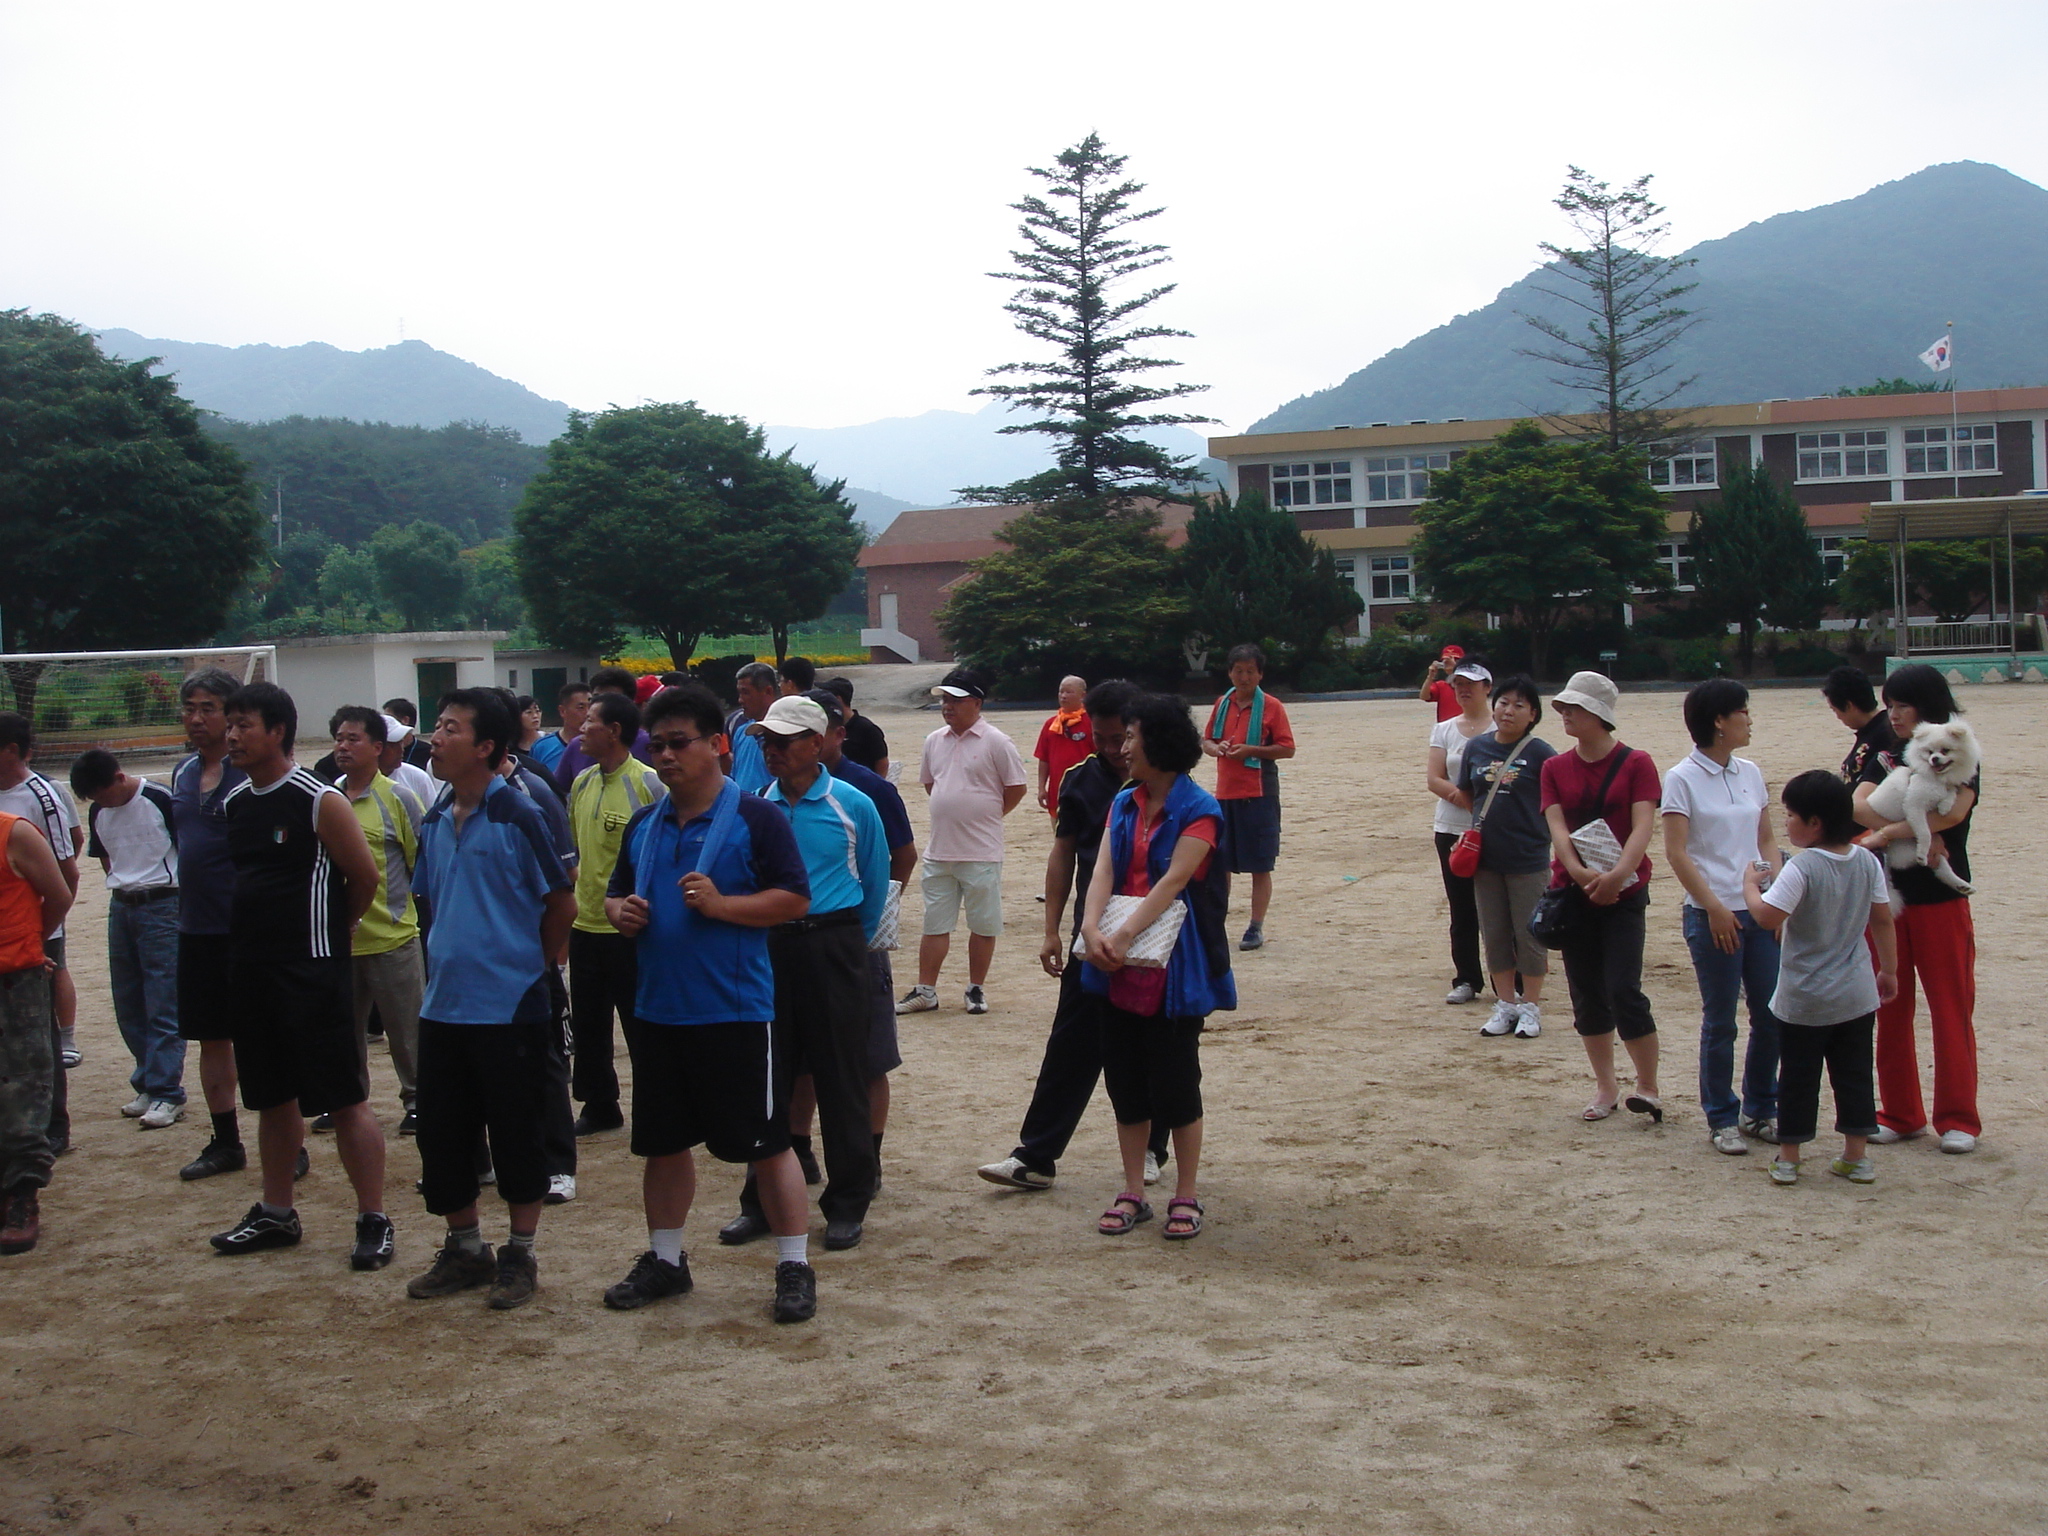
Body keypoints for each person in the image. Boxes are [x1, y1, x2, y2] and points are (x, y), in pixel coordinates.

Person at [601, 684, 820, 1322]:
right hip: (658, 1009)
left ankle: (794, 1265)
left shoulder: (756, 817)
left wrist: (724, 906)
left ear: (718, 744)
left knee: (768, 1144)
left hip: (735, 1011)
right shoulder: (645, 823)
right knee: (663, 1144)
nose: (666, 756)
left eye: (679, 743)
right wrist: (620, 912)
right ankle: (666, 1261)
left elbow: (795, 899)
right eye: (657, 746)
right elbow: (614, 894)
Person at [209, 683, 393, 1270]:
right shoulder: (238, 802)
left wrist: (333, 935)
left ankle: (373, 1218)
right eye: (230, 725)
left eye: (244, 725)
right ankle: (276, 1212)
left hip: (312, 973)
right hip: (252, 971)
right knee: (271, 1097)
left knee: (344, 1098)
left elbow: (364, 877)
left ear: (278, 732)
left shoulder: (319, 800)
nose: (232, 736)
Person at [406, 689, 576, 1310]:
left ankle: (520, 1254)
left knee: (517, 1134)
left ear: (485, 747)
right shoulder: (435, 816)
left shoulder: (519, 814)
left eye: (450, 728)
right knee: (443, 1136)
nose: (435, 737)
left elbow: (561, 904)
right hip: (443, 1006)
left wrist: (532, 967)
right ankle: (466, 1248)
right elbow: (432, 899)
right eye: (438, 725)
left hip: (509, 1008)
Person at [978, 679, 1170, 1193]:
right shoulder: (1080, 780)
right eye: (1099, 739)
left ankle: (1154, 1147)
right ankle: (1035, 1156)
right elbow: (1063, 855)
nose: (1110, 749)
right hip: (1092, 934)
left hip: (1151, 939)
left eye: (1118, 738)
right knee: (1070, 1046)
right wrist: (1051, 931)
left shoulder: (1167, 782)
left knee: (1148, 1045)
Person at [718, 696, 889, 1252]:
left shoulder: (853, 804)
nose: (772, 750)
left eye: (784, 741)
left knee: (842, 1077)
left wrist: (845, 943)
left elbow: (874, 882)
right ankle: (761, 1203)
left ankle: (848, 1201)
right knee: (768, 1077)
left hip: (834, 943)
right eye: (766, 741)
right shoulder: (754, 807)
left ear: (817, 743)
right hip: (770, 945)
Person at [1080, 693, 1235, 1242]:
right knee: (1124, 1079)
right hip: (1116, 956)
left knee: (1176, 1080)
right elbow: (1103, 870)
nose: (1122, 748)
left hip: (1174, 962)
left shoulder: (1201, 809)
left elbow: (1175, 881)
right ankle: (1133, 1191)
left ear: (1159, 744)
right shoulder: (1124, 802)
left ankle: (1185, 1193)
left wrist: (1119, 935)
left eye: (1130, 737)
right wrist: (1090, 929)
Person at [1744, 771, 1897, 1186]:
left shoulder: (1804, 866)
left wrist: (1750, 888)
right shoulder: (1866, 860)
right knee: (1854, 1075)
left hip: (1805, 996)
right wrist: (1888, 968)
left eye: (1791, 815)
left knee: (1798, 1077)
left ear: (1814, 823)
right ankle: (1856, 1156)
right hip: (1856, 993)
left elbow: (1767, 916)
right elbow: (1883, 919)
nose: (1786, 822)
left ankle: (1789, 1158)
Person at [1851, 665, 1981, 1153]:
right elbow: (1858, 805)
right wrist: (1911, 826)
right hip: (1888, 898)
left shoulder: (1959, 750)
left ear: (1927, 706)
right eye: (1890, 705)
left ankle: (1958, 1118)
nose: (1894, 714)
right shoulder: (1886, 752)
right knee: (1890, 1006)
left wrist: (1888, 829)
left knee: (1950, 1007)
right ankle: (1900, 1112)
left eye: (1902, 705)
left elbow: (1953, 813)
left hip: (1941, 899)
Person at [1661, 678, 1784, 1156]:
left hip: (1759, 910)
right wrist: (1713, 906)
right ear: (1719, 721)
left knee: (1770, 1013)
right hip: (1712, 913)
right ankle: (1721, 1115)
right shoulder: (1681, 778)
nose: (1749, 720)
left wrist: (1776, 893)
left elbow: (1765, 838)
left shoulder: (1750, 771)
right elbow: (1677, 852)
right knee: (1721, 1020)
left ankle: (1761, 1107)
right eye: (1742, 712)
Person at [798, 688, 914, 1194]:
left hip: (854, 941)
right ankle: (798, 1149)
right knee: (799, 1059)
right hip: (795, 945)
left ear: (836, 734)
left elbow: (902, 856)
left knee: (869, 1057)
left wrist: (875, 916)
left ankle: (869, 1156)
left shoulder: (867, 790)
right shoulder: (769, 794)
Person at [1539, 674, 1663, 1122]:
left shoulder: (1637, 763)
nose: (1565, 714)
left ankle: (1647, 1086)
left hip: (1625, 892)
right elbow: (1556, 826)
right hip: (1574, 892)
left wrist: (1619, 875)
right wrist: (1578, 872)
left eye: (1574, 708)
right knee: (1586, 992)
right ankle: (1606, 1085)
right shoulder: (1554, 768)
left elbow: (1643, 825)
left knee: (1624, 987)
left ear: (1599, 715)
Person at [898, 669, 1027, 1016]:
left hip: (981, 851)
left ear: (977, 703)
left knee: (982, 924)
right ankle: (926, 990)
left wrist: (986, 815)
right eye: (945, 699)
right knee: (934, 923)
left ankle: (975, 987)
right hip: (939, 850)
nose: (948, 706)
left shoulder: (997, 741)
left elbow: (1016, 787)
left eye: (956, 700)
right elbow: (931, 784)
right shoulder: (933, 741)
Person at [70, 749, 186, 1129]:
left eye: (104, 794)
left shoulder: (159, 799)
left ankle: (168, 1091)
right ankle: (148, 1082)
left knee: (163, 1000)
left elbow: (185, 848)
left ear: (120, 778)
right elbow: (106, 858)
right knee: (128, 1001)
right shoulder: (98, 812)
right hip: (122, 905)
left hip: (163, 903)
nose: (102, 803)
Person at [565, 691, 662, 1137]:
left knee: (642, 1024)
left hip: (631, 929)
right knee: (589, 1023)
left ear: (615, 731)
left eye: (591, 722)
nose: (582, 730)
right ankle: (599, 1104)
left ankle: (655, 1103)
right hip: (585, 923)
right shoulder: (582, 783)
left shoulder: (647, 784)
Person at [169, 670, 252, 1180]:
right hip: (195, 928)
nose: (197, 718)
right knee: (210, 1038)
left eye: (208, 708)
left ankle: (286, 1140)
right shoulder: (181, 771)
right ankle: (226, 1141)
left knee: (261, 1038)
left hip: (246, 930)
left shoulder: (251, 775)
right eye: (190, 708)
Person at [329, 707, 426, 1135]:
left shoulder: (399, 798)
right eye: (339, 738)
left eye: (353, 739)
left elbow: (422, 863)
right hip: (341, 941)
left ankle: (419, 1100)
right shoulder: (327, 798)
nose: (343, 747)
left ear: (376, 747)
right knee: (342, 1032)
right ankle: (346, 1100)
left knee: (407, 1032)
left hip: (393, 937)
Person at [1453, 674, 1556, 1039]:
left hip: (1528, 859)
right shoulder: (1477, 748)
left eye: (1519, 705)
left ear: (1533, 714)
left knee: (1529, 934)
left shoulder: (1541, 753)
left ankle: (1531, 1007)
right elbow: (1468, 793)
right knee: (1494, 933)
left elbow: (1556, 803)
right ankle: (1506, 1004)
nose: (1508, 711)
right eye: (1503, 703)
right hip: (1486, 860)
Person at [0, 714, 81, 1155]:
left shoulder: (41, 795)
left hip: (37, 927)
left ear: (11, 750)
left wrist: (37, 936)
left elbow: (67, 871)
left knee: (36, 1036)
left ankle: (52, 1125)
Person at [1, 808, 72, 1255]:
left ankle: (22, 1196)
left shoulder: (14, 833)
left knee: (24, 1087)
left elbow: (59, 893)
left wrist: (31, 943)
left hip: (14, 980)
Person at [1201, 643, 1295, 952]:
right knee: (1220, 864)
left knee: (1260, 864)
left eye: (1250, 672)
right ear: (1229, 673)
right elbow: (1207, 740)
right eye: (1238, 671)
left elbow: (1287, 748)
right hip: (1225, 794)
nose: (1244, 677)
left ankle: (1255, 926)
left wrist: (1251, 750)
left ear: (1260, 674)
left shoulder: (1272, 707)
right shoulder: (1222, 703)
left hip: (1259, 793)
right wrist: (1217, 749)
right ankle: (1216, 922)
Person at [1424, 656, 1493, 1005]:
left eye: (1471, 685)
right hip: (1452, 828)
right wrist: (1463, 799)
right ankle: (1466, 977)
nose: (1464, 690)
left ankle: (1509, 978)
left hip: (1494, 828)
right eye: (1459, 685)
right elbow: (1434, 778)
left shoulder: (1501, 728)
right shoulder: (1445, 729)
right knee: (1462, 908)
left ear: (1487, 688)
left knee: (1499, 907)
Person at [549, 667, 653, 796]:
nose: (600, 705)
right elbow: (558, 793)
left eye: (610, 700)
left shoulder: (649, 746)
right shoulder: (577, 746)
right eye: (595, 698)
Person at [1033, 675, 1093, 821]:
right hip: (1057, 792)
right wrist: (1041, 788)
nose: (1063, 696)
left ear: (1083, 695)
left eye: (1069, 692)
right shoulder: (1051, 725)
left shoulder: (1092, 723)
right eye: (1061, 692)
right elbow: (1044, 759)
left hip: (1087, 792)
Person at [1823, 666, 1896, 785]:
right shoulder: (1874, 730)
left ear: (1849, 706)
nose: (1838, 717)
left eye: (1835, 710)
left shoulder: (1885, 735)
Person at [725, 663, 779, 796]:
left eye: (746, 693)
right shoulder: (741, 731)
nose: (740, 700)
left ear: (768, 691)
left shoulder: (786, 735)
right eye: (739, 693)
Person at [825, 677, 889, 777]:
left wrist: (874, 782)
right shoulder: (829, 726)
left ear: (838, 699)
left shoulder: (867, 729)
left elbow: (882, 762)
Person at [528, 681, 590, 777]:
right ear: (562, 711)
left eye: (590, 707)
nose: (587, 713)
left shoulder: (599, 746)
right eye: (581, 708)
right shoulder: (542, 747)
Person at [1418, 643, 1469, 722]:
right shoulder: (1441, 685)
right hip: (1445, 726)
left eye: (1456, 660)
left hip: (1466, 725)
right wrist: (1430, 676)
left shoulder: (1470, 683)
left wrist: (1456, 668)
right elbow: (1424, 696)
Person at [382, 698, 434, 771]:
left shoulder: (428, 753)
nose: (385, 720)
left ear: (405, 720)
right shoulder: (381, 750)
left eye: (389, 717)